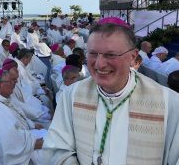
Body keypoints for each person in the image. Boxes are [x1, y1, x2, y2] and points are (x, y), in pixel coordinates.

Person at [42, 18, 179, 165]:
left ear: (133, 57)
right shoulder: (71, 96)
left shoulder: (169, 103)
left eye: (111, 54)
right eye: (93, 53)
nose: (99, 64)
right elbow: (56, 149)